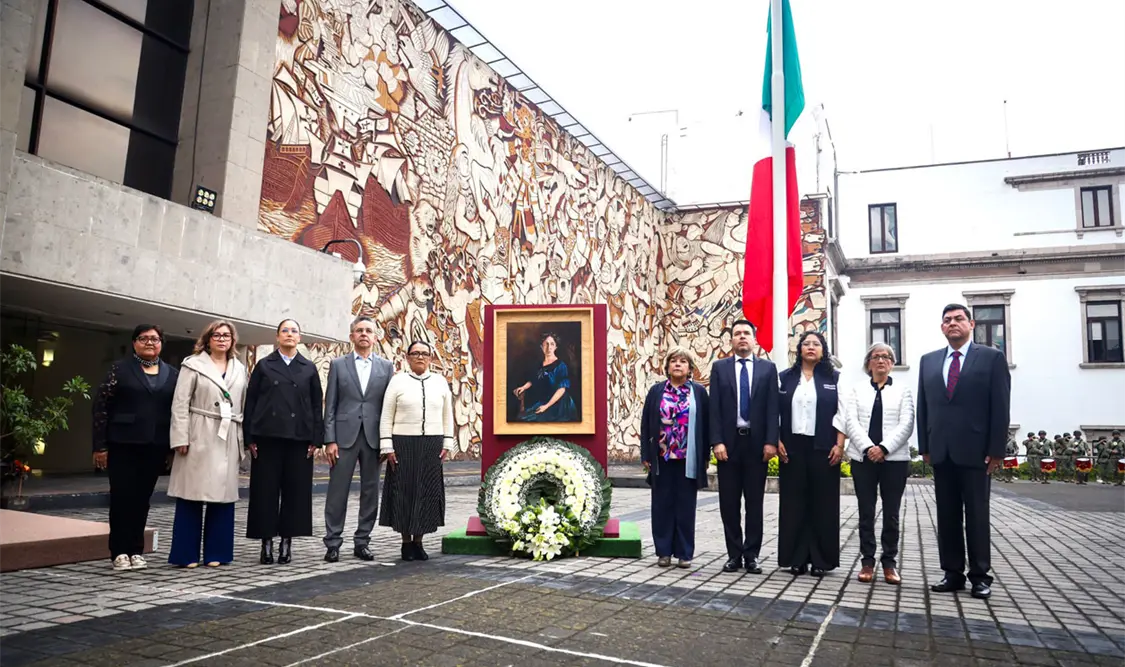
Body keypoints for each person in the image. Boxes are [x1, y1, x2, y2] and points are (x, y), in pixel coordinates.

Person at [917, 304, 1010, 600]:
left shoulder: (992, 358)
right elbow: (924, 407)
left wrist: (997, 450)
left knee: (977, 516)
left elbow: (1000, 407)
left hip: (976, 453)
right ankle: (952, 573)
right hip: (941, 452)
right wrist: (926, 447)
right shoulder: (929, 361)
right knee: (947, 516)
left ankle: (980, 576)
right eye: (947, 320)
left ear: (971, 324)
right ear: (942, 327)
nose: (952, 324)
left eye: (958, 319)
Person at [91, 325, 179, 571]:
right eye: (144, 338)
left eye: (155, 339)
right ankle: (119, 551)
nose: (150, 342)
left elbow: (176, 411)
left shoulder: (172, 373)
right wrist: (100, 446)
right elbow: (101, 408)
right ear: (134, 343)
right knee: (121, 498)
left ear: (161, 343)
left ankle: (136, 550)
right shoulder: (119, 369)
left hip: (155, 445)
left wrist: (172, 447)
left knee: (142, 499)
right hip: (122, 443)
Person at [168, 320, 249, 568]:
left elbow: (244, 404)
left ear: (233, 340)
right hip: (198, 433)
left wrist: (243, 439)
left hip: (228, 436)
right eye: (217, 335)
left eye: (227, 335)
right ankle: (185, 555)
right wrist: (180, 437)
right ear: (208, 338)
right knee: (191, 494)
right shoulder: (192, 365)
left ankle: (217, 553)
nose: (222, 339)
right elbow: (180, 403)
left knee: (223, 497)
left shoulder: (240, 369)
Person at [244, 320, 323, 565]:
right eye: (285, 331)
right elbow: (251, 402)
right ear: (277, 337)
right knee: (264, 492)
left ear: (300, 338)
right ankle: (266, 542)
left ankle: (286, 541)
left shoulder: (308, 368)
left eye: (294, 331)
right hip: (267, 437)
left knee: (295, 493)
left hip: (299, 439)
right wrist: (249, 437)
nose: (290, 334)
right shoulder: (264, 365)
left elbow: (315, 405)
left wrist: (316, 438)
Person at [708, 319, 780, 574]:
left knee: (754, 503)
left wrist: (771, 441)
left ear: (754, 339)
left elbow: (773, 409)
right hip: (728, 444)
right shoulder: (719, 368)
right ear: (731, 340)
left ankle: (752, 555)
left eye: (746, 333)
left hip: (756, 445)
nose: (741, 337)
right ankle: (733, 554)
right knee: (728, 503)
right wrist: (716, 441)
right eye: (737, 334)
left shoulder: (768, 369)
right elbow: (713, 408)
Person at [841, 342, 915, 585]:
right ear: (868, 363)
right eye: (876, 357)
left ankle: (890, 562)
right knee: (866, 511)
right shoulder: (857, 390)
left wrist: (883, 448)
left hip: (894, 460)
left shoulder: (903, 390)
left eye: (886, 357)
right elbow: (850, 420)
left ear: (892, 363)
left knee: (891, 513)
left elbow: (907, 423)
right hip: (863, 458)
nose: (881, 360)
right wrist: (868, 448)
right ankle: (867, 561)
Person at [323, 316, 394, 563]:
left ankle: (362, 541)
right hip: (343, 438)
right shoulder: (338, 365)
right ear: (352, 336)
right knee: (337, 492)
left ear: (375, 337)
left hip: (373, 438)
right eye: (359, 330)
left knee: (370, 491)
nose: (364, 334)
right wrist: (329, 440)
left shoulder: (387, 367)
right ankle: (332, 542)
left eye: (368, 331)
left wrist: (388, 441)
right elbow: (330, 405)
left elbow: (388, 407)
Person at [776, 332, 844, 577]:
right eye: (806, 344)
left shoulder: (834, 378)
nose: (811, 347)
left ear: (823, 350)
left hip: (824, 449)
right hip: (791, 449)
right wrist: (777, 439)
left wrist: (840, 444)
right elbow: (775, 411)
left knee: (823, 505)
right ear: (799, 349)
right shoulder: (785, 378)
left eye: (816, 344)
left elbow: (842, 414)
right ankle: (796, 558)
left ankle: (821, 560)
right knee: (794, 505)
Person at [379, 341, 454, 561]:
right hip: (403, 444)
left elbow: (447, 415)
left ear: (430, 358)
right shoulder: (397, 381)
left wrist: (447, 443)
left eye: (424, 354)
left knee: (426, 492)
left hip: (432, 443)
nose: (420, 357)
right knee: (404, 491)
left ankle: (419, 542)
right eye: (415, 354)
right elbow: (386, 415)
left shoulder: (440, 382)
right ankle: (405, 542)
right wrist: (387, 446)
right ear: (407, 357)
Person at [640, 348, 710, 569]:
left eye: (683, 361)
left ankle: (684, 553)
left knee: (685, 506)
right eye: (673, 361)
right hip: (662, 458)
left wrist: (705, 457)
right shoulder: (656, 391)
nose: (677, 364)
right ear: (667, 366)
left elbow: (706, 427)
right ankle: (663, 552)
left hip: (687, 458)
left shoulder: (698, 392)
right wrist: (645, 454)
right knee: (661, 505)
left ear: (690, 368)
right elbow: (645, 424)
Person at [512, 332, 578, 422]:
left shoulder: (561, 365)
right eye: (546, 344)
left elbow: (562, 389)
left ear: (556, 347)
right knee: (523, 419)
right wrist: (523, 387)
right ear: (541, 346)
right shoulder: (539, 365)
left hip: (559, 404)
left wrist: (546, 406)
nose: (549, 347)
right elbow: (534, 380)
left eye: (552, 344)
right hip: (544, 400)